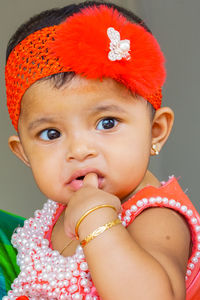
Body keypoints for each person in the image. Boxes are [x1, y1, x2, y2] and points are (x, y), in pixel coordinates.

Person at [2, 1, 200, 299]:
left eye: (107, 123)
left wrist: (97, 220)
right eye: (51, 133)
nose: (80, 150)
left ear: (155, 132)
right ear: (24, 153)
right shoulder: (49, 220)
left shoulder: (156, 216)